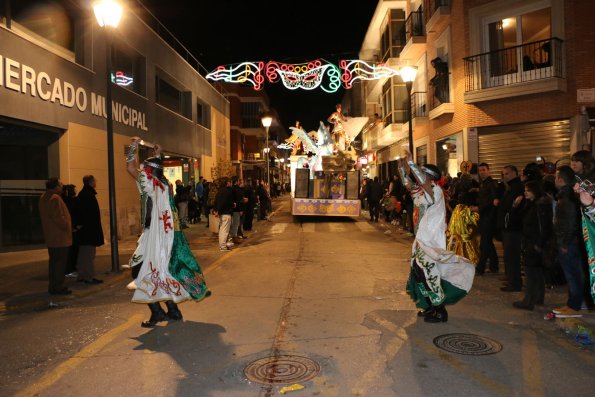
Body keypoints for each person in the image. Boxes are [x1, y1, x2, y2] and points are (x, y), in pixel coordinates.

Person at [125, 138, 209, 328]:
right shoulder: (164, 185)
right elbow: (155, 168)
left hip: (153, 238)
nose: (141, 170)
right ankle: (173, 311)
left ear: (148, 172)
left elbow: (130, 167)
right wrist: (157, 155)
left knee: (140, 274)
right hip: (165, 238)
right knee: (161, 273)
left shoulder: (148, 184)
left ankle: (157, 313)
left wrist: (133, 146)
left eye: (144, 168)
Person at [399, 151, 475, 323]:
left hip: (431, 241)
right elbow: (407, 183)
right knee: (418, 272)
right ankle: (429, 306)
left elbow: (423, 182)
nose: (419, 177)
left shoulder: (436, 190)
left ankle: (440, 310)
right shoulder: (420, 193)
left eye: (423, 173)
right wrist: (402, 166)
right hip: (421, 239)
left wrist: (412, 164)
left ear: (430, 177)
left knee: (428, 272)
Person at [512, 181, 552, 310]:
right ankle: (537, 299)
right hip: (531, 242)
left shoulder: (541, 205)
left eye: (527, 190)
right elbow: (521, 219)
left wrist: (539, 244)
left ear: (535, 191)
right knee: (536, 272)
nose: (525, 192)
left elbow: (545, 227)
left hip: (534, 243)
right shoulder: (532, 204)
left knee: (532, 273)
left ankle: (529, 301)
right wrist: (516, 206)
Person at [552, 166, 585, 317]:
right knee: (574, 274)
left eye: (555, 177)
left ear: (561, 179)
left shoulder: (568, 197)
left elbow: (572, 223)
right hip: (568, 241)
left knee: (572, 275)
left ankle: (574, 306)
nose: (554, 180)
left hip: (569, 243)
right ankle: (575, 302)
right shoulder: (565, 195)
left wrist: (565, 243)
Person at [39, 177, 72, 295]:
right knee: (60, 264)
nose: (62, 186)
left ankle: (53, 286)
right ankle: (58, 287)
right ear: (55, 186)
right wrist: (66, 226)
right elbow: (58, 217)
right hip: (59, 237)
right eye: (60, 184)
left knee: (54, 263)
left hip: (52, 237)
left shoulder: (44, 197)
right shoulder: (55, 198)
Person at [497, 165, 525, 292]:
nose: (505, 176)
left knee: (512, 256)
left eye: (507, 174)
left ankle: (515, 283)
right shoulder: (510, 187)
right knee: (509, 256)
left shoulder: (517, 187)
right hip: (508, 226)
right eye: (503, 174)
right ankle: (511, 279)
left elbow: (512, 207)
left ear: (515, 173)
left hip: (513, 228)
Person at [74, 175, 104, 285]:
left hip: (84, 231)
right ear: (91, 182)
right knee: (89, 255)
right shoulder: (89, 195)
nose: (96, 182)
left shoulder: (83, 194)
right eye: (94, 180)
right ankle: (89, 277)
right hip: (89, 231)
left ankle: (81, 275)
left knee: (83, 254)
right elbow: (89, 215)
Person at [476, 163, 500, 274]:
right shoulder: (483, 184)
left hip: (489, 217)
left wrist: (478, 208)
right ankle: (494, 266)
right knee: (488, 243)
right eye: (480, 170)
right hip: (484, 216)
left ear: (488, 171)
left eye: (484, 170)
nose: (482, 172)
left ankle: (480, 268)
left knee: (484, 244)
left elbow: (493, 201)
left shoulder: (492, 184)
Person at [61, 184, 79, 278]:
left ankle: (71, 268)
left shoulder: (64, 201)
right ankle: (69, 269)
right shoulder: (69, 202)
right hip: (72, 229)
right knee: (72, 250)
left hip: (71, 228)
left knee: (72, 250)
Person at [214, 177, 234, 251]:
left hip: (222, 213)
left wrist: (216, 210)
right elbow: (224, 203)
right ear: (226, 182)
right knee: (224, 231)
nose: (230, 183)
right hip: (226, 213)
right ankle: (223, 246)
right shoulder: (226, 191)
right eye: (229, 182)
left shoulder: (219, 191)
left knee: (222, 230)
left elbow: (216, 202)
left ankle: (223, 245)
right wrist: (232, 205)